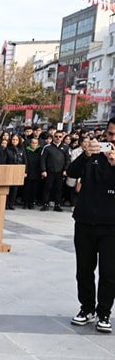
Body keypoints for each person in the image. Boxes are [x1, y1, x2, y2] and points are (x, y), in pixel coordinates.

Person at [66, 117, 115, 333]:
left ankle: (104, 312)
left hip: (112, 225)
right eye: (111, 134)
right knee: (84, 269)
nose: (113, 139)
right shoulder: (92, 152)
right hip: (85, 220)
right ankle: (87, 308)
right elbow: (72, 173)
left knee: (109, 272)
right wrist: (86, 154)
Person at [40, 130, 70, 211]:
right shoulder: (47, 147)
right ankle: (45, 204)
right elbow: (42, 159)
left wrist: (66, 170)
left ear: (62, 137)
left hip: (60, 172)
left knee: (59, 189)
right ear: (53, 137)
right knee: (47, 188)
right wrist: (43, 170)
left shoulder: (66, 147)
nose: (58, 138)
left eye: (60, 137)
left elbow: (68, 160)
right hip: (49, 171)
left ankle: (57, 204)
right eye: (56, 136)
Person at [5, 133, 26, 210]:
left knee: (15, 188)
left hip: (18, 171)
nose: (15, 141)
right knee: (8, 188)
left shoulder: (21, 149)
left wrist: (25, 172)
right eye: (13, 139)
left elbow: (25, 161)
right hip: (9, 170)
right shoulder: (7, 149)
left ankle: (11, 204)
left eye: (16, 140)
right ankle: (6, 204)